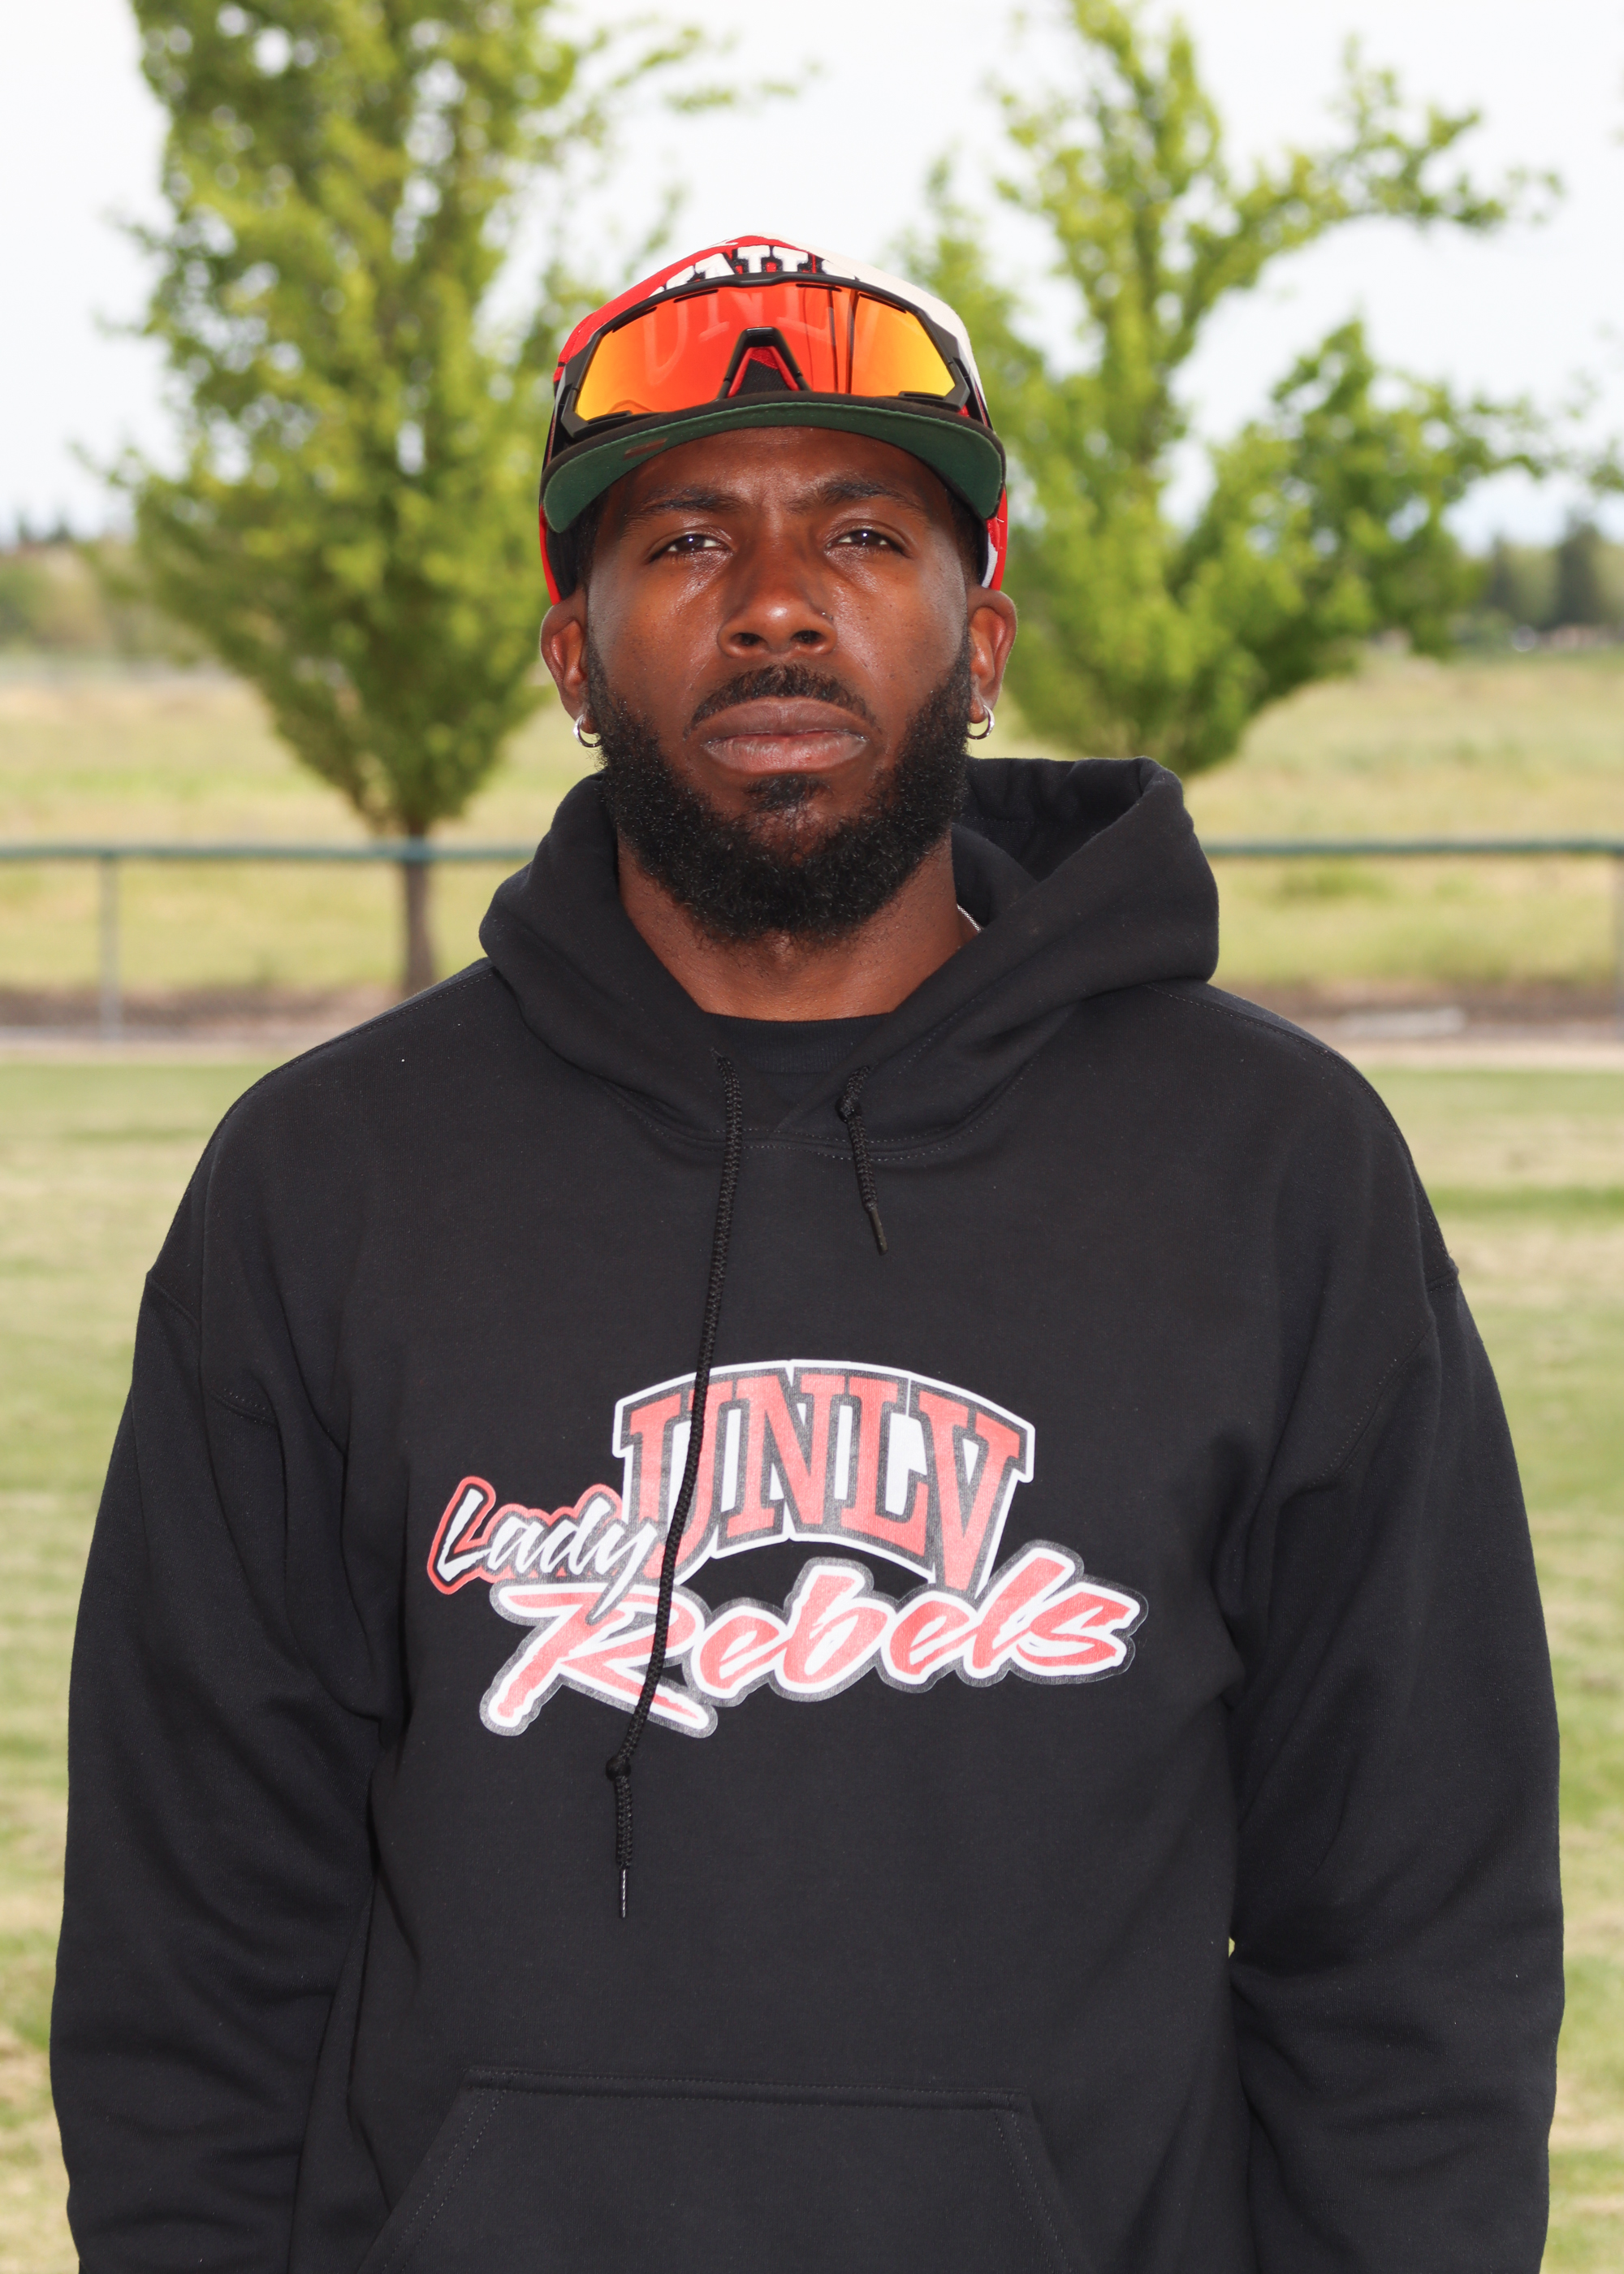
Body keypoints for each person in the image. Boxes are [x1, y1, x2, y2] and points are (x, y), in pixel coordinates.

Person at [53, 236, 1561, 2274]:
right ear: (571, 655)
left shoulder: (1274, 1172)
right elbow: (192, 1940)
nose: (775, 600)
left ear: (982, 635)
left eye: (862, 532)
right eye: (685, 539)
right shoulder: (326, 1180)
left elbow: (1413, 1931)